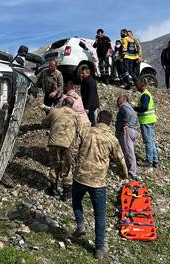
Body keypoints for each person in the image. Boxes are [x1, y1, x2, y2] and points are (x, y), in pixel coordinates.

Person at [71, 110, 128, 259]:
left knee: (76, 201)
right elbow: (120, 160)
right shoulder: (111, 139)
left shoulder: (85, 131)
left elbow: (72, 150)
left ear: (98, 118)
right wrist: (123, 174)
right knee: (100, 215)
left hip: (80, 177)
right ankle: (99, 249)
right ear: (110, 123)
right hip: (98, 182)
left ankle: (80, 224)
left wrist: (70, 166)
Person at [42, 97, 85, 199]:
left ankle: (53, 189)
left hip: (54, 142)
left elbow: (44, 123)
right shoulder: (76, 116)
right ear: (72, 105)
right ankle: (66, 193)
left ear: (63, 102)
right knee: (67, 168)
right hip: (69, 144)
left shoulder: (55, 111)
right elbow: (81, 132)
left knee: (54, 164)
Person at [133, 80, 159, 168]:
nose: (136, 87)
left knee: (148, 141)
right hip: (150, 120)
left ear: (142, 85)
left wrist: (135, 108)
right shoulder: (147, 93)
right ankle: (155, 160)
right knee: (151, 141)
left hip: (146, 120)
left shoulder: (144, 95)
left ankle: (149, 160)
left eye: (137, 85)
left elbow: (144, 108)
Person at [115, 95, 138, 178]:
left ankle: (132, 172)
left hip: (127, 130)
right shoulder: (129, 107)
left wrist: (125, 124)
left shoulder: (124, 106)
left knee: (128, 151)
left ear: (124, 99)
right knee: (127, 150)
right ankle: (128, 169)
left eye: (119, 99)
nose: (117, 101)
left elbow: (128, 115)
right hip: (131, 130)